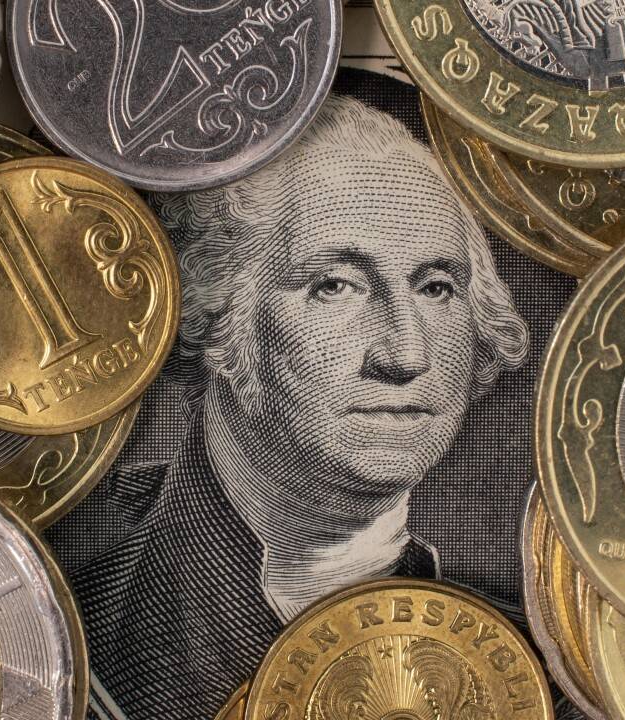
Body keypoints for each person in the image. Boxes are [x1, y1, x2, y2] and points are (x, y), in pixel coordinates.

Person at [50, 95, 530, 720]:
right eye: (336, 285)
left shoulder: (536, 660)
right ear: (220, 310)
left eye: (436, 288)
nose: (406, 354)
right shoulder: (75, 631)